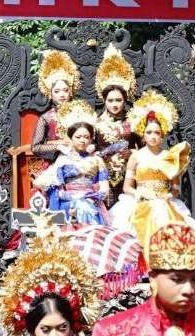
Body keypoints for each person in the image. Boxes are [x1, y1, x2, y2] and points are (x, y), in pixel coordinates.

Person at [108, 90, 195, 249]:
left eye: (157, 133)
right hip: (139, 201)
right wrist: (138, 194)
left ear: (162, 135)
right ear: (143, 134)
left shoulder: (170, 157)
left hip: (163, 201)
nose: (153, 136)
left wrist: (166, 196)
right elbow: (127, 187)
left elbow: (175, 188)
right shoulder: (135, 157)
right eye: (149, 132)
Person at [36, 100, 111, 225]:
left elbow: (104, 188)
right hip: (68, 204)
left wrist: (93, 197)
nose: (82, 140)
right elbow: (58, 192)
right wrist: (76, 197)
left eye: (86, 137)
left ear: (91, 139)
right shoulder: (63, 161)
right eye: (78, 137)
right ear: (70, 138)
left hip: (92, 202)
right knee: (81, 206)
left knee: (86, 207)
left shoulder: (97, 160)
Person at [10, 50, 79, 183]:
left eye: (65, 90)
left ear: (71, 92)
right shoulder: (46, 118)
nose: (62, 95)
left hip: (80, 163)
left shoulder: (81, 114)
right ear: (50, 94)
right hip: (54, 166)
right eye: (57, 91)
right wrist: (57, 146)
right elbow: (36, 147)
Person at [94, 44, 138, 206]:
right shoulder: (95, 122)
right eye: (110, 100)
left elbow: (145, 149)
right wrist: (100, 154)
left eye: (118, 100)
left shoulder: (134, 122)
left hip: (129, 175)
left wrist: (132, 152)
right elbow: (88, 148)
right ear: (104, 101)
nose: (115, 104)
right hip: (102, 175)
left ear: (125, 100)